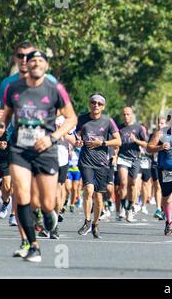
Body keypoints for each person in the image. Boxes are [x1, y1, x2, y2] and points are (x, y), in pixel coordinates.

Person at [0, 50, 77, 262]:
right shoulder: (13, 88)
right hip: (20, 148)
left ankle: (48, 214)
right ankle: (32, 246)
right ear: (27, 65)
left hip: (46, 149)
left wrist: (53, 137)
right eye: (32, 61)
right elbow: (5, 114)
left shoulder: (55, 88)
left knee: (47, 202)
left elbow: (71, 118)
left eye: (40, 61)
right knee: (21, 195)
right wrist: (0, 126)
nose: (36, 64)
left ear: (46, 66)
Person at [75, 93, 121, 238]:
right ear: (90, 104)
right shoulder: (82, 119)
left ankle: (95, 225)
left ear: (103, 107)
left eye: (99, 104)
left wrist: (102, 143)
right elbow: (76, 135)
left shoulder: (108, 121)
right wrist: (77, 141)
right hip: (86, 160)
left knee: (99, 197)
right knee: (88, 189)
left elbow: (118, 141)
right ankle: (87, 221)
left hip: (102, 163)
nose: (96, 105)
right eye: (93, 102)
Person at [117, 107, 148, 223]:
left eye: (128, 114)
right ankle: (122, 207)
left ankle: (129, 208)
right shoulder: (119, 128)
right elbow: (115, 142)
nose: (126, 116)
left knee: (133, 185)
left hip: (135, 159)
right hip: (122, 158)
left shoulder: (138, 128)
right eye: (124, 114)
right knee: (123, 183)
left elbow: (146, 144)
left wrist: (136, 140)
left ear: (132, 115)